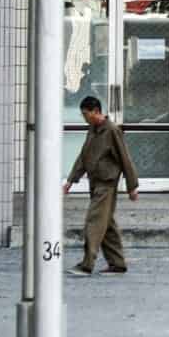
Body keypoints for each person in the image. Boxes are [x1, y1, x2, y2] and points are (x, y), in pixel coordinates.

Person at [63, 95, 140, 276]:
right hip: (95, 183)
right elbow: (84, 156)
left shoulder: (112, 130)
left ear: (96, 111)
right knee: (107, 225)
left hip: (107, 185)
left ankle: (86, 265)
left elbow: (125, 158)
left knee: (94, 222)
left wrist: (132, 186)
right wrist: (70, 181)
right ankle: (117, 264)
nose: (84, 118)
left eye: (86, 114)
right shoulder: (93, 129)